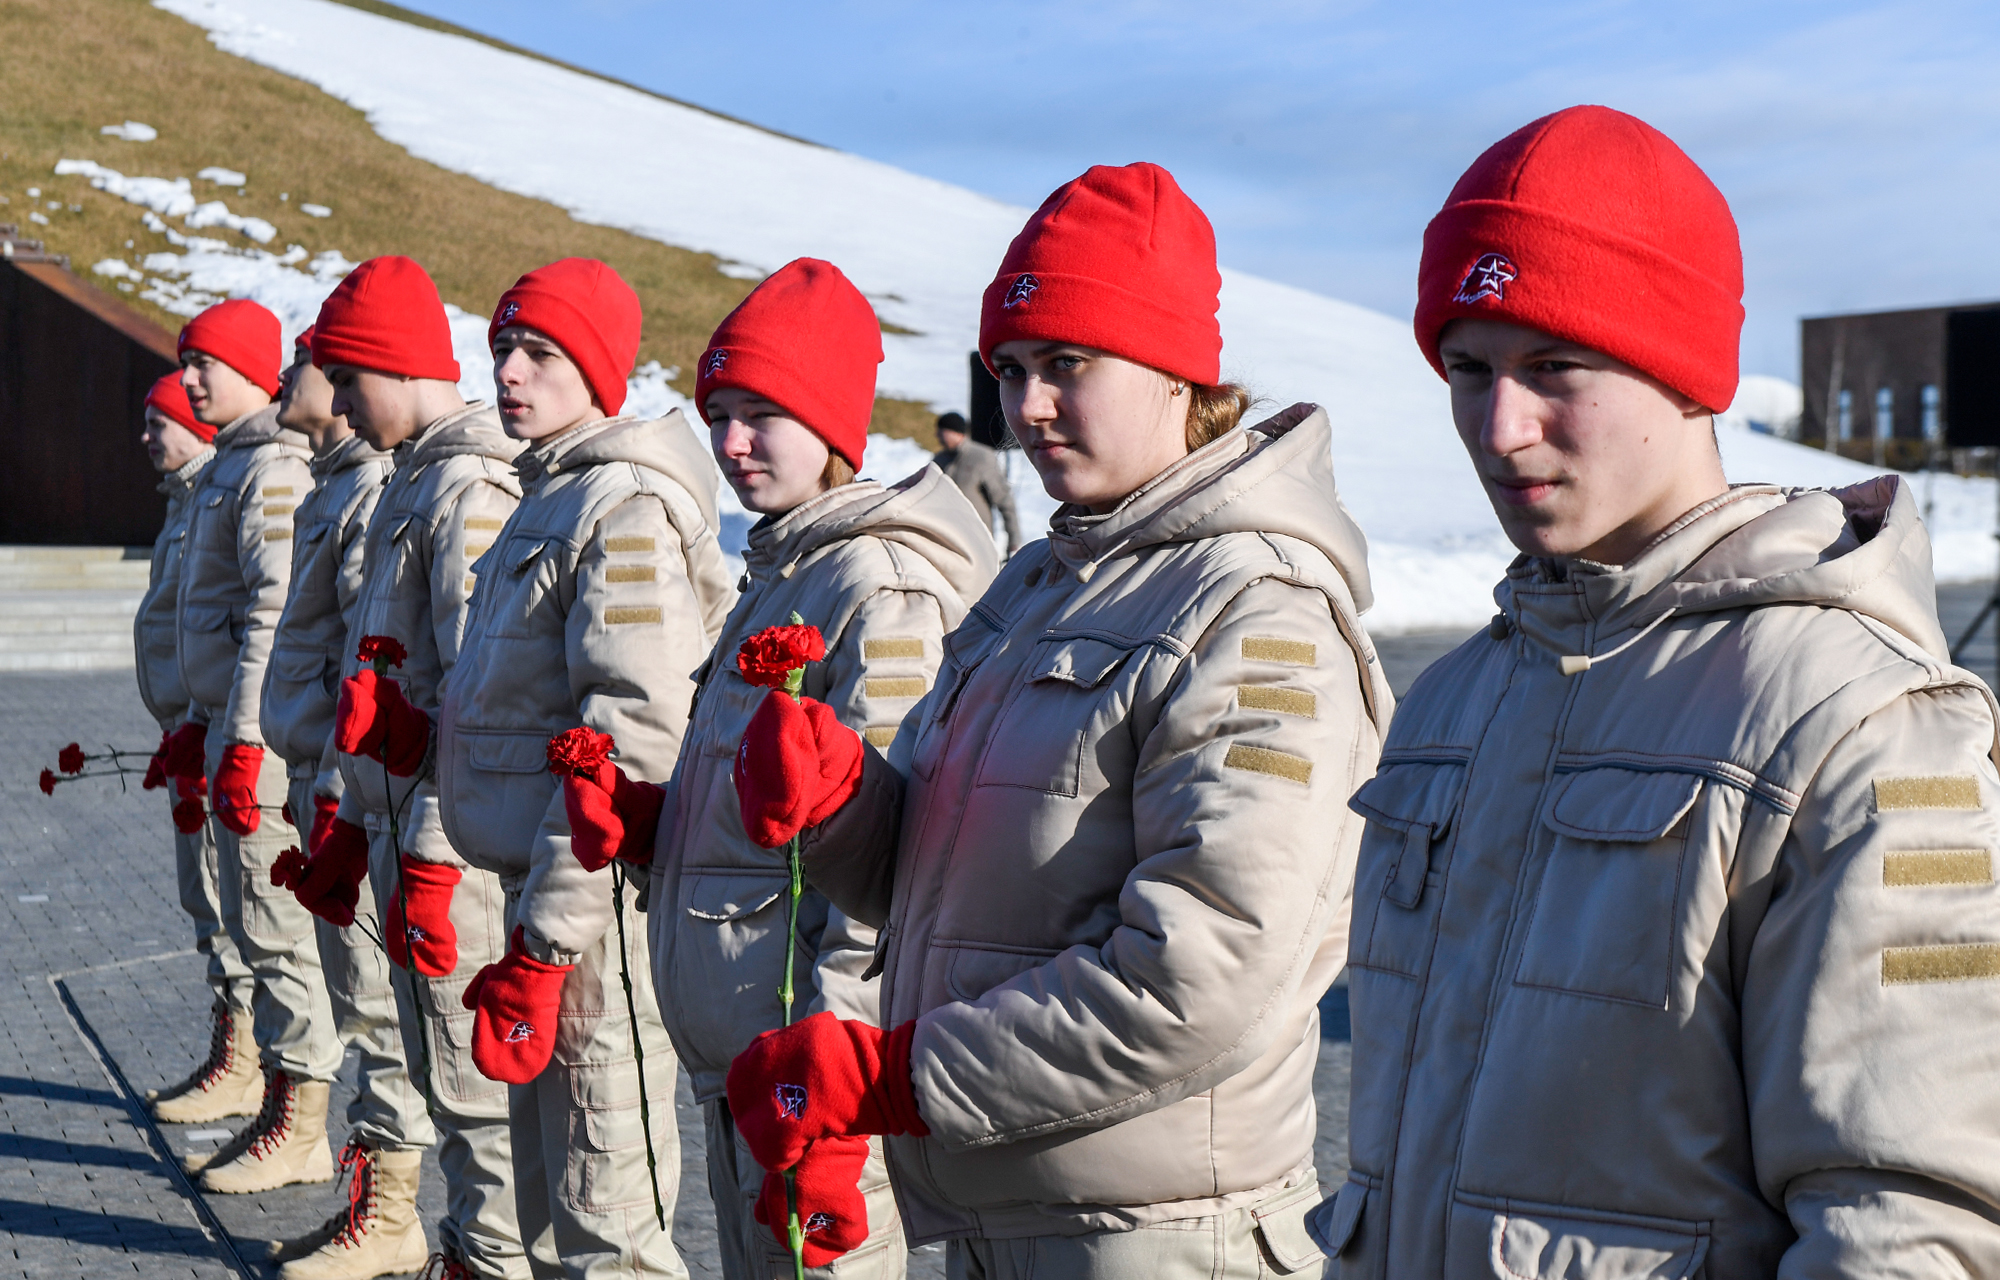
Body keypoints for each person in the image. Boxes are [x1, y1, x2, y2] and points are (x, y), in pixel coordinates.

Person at [1307, 105, 2000, 1277]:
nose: (1498, 426)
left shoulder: (1852, 714)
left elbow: (1906, 1212)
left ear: (1682, 376)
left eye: (1552, 367)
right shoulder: (1452, 704)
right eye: (1466, 370)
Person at [723, 163, 1392, 1278]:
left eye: (1067, 366)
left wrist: (895, 1077)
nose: (1026, 408)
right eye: (1013, 369)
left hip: (1158, 1233)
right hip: (1005, 1202)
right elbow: (939, 881)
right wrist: (841, 800)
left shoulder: (1258, 606)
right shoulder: (1040, 583)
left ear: (1179, 373)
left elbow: (1204, 969)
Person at [570, 257, 997, 1279]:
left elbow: (883, 868)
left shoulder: (877, 583)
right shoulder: (783, 569)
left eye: (764, 413)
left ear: (833, 424)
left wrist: (834, 1088)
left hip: (808, 1081)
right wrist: (652, 821)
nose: (730, 442)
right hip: (745, 1070)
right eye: (719, 413)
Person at [435, 258, 733, 1280]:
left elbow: (634, 729)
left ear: (597, 372)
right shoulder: (546, 490)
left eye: (540, 354)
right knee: (556, 1191)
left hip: (590, 914)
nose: (509, 373)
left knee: (607, 1212)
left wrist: (553, 937)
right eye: (502, 350)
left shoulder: (620, 504)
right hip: (538, 900)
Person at [291, 255, 529, 1280]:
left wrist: (429, 845)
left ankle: (489, 1256)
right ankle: (459, 1248)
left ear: (396, 364)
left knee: (476, 1095)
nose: (337, 404)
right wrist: (355, 811)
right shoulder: (416, 476)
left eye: (349, 379)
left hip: (446, 855)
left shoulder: (466, 486)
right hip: (398, 830)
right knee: (435, 1071)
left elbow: (478, 701)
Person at [259, 326, 434, 1279]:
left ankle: (393, 1211)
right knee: (352, 995)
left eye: (312, 363)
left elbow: (374, 663)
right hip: (325, 775)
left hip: (352, 784)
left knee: (376, 1009)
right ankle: (370, 1189)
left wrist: (341, 789)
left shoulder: (369, 486)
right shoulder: (337, 482)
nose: (289, 378)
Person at [166, 299, 341, 1195]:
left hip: (263, 751)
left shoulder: (271, 468)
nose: (190, 378)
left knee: (278, 936)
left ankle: (301, 1121)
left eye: (206, 362)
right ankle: (277, 1099)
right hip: (231, 734)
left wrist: (238, 740)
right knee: (248, 927)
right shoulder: (233, 465)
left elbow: (271, 618)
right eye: (185, 362)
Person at [136, 372, 261, 1126]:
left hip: (219, 732)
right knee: (204, 897)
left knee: (231, 899)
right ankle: (235, 1046)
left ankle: (251, 1063)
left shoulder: (223, 496)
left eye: (159, 423)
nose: (147, 438)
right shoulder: (188, 502)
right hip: (190, 731)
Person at [932, 411, 1021, 556]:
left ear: (954, 432)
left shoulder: (981, 457)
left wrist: (1014, 541)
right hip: (945, 539)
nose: (937, 436)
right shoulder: (939, 460)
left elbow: (1004, 500)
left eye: (941, 431)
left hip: (977, 540)